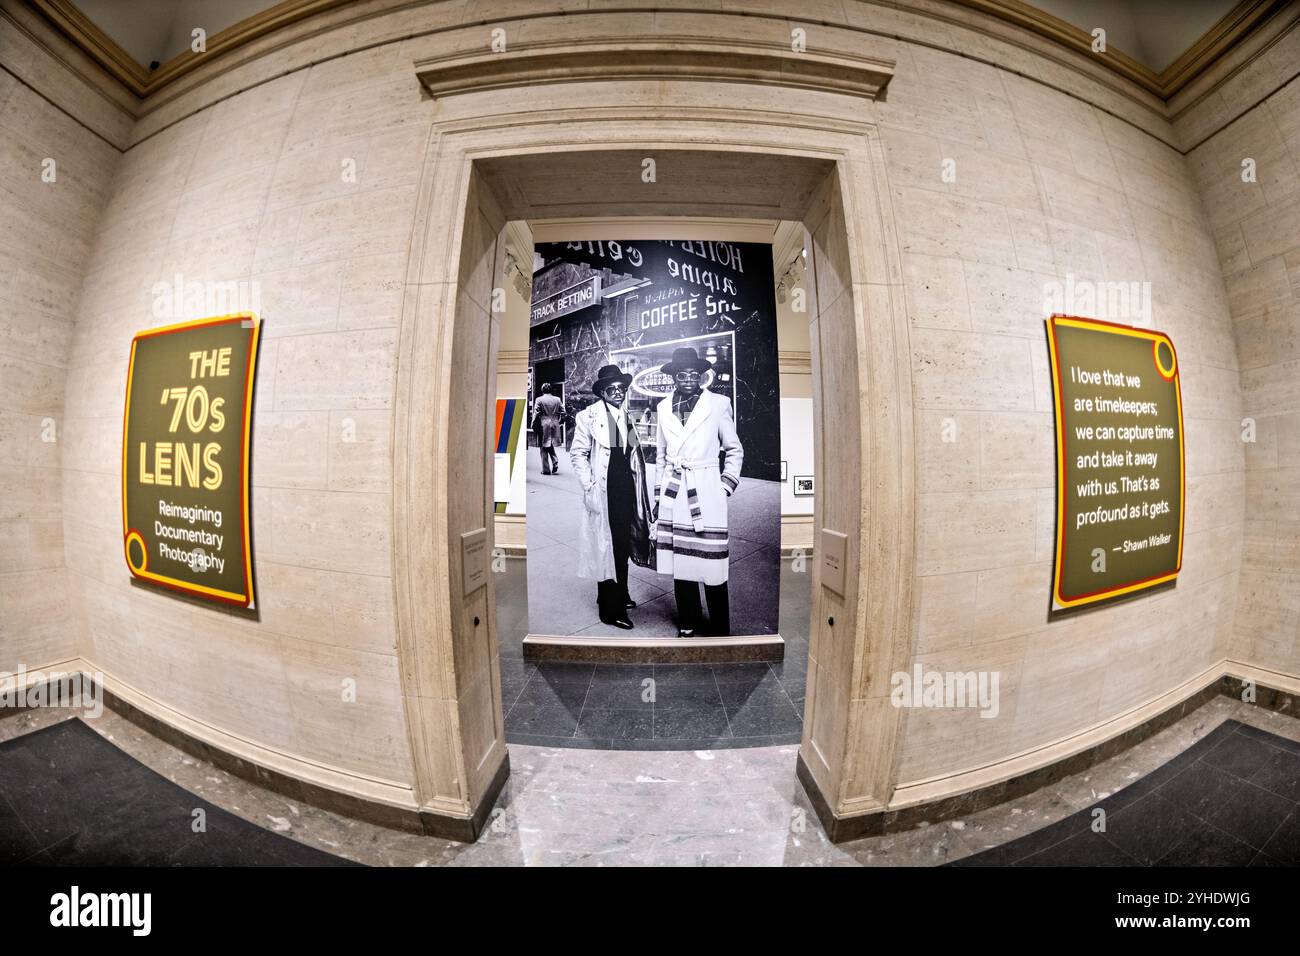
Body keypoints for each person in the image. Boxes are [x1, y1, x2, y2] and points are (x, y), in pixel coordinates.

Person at [654, 348, 743, 637]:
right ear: (674, 377)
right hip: (674, 491)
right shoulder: (663, 407)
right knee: (683, 562)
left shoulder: (718, 404)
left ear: (701, 375)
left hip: (706, 489)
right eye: (683, 374)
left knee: (713, 565)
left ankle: (719, 628)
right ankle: (688, 621)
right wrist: (658, 496)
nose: (689, 379)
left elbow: (734, 449)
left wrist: (724, 487)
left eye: (694, 373)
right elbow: (661, 454)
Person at [569, 365, 641, 629]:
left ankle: (618, 593)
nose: (618, 393)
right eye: (611, 389)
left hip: (626, 490)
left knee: (621, 544)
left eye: (621, 388)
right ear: (602, 392)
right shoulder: (588, 417)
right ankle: (612, 611)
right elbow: (577, 454)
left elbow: (633, 454)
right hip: (604, 490)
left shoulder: (627, 416)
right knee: (607, 546)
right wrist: (588, 487)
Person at [532, 383, 563, 475]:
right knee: (548, 443)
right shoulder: (557, 399)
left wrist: (533, 424)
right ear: (551, 390)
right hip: (554, 423)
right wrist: (560, 422)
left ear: (542, 390)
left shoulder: (539, 399)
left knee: (543, 446)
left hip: (543, 424)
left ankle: (546, 469)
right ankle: (555, 460)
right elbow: (563, 412)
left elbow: (536, 413)